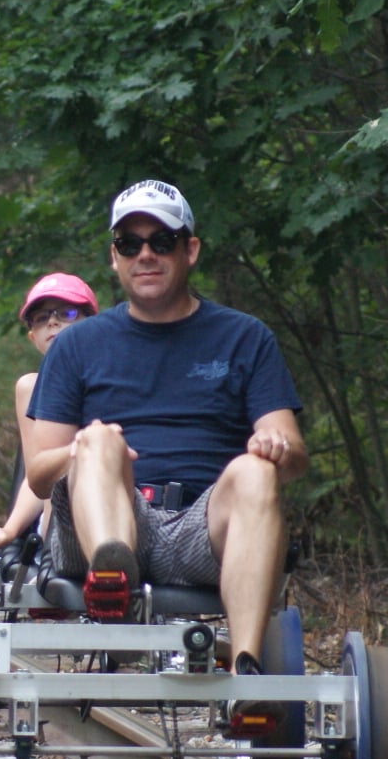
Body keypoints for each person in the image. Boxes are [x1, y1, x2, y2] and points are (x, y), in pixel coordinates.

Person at [23, 179, 307, 679]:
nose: (146, 255)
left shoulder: (245, 337)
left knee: (256, 472)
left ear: (190, 249)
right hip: (101, 521)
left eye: (162, 241)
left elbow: (295, 454)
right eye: (130, 244)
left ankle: (248, 670)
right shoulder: (76, 345)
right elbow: (40, 475)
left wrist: (275, 448)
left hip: (203, 524)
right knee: (96, 439)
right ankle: (116, 593)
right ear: (114, 257)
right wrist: (92, 452)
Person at [0, 272, 98, 555]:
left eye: (67, 313)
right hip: (53, 524)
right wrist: (10, 530)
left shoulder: (108, 381)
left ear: (94, 325)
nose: (53, 322)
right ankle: (50, 552)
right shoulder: (30, 388)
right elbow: (36, 476)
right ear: (32, 336)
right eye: (42, 317)